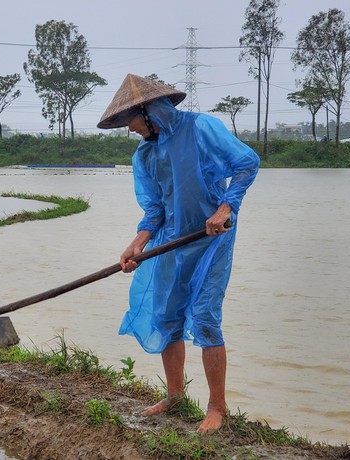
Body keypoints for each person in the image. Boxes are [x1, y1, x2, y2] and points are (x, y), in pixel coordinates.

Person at [97, 74, 259, 433]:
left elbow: (247, 163)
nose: (130, 130)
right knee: (167, 316)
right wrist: (138, 244)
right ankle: (175, 397)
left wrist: (226, 208)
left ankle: (218, 406)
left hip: (211, 239)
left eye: (132, 121)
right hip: (171, 240)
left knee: (204, 316)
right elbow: (155, 209)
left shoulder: (201, 128)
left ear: (149, 110)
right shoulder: (146, 153)